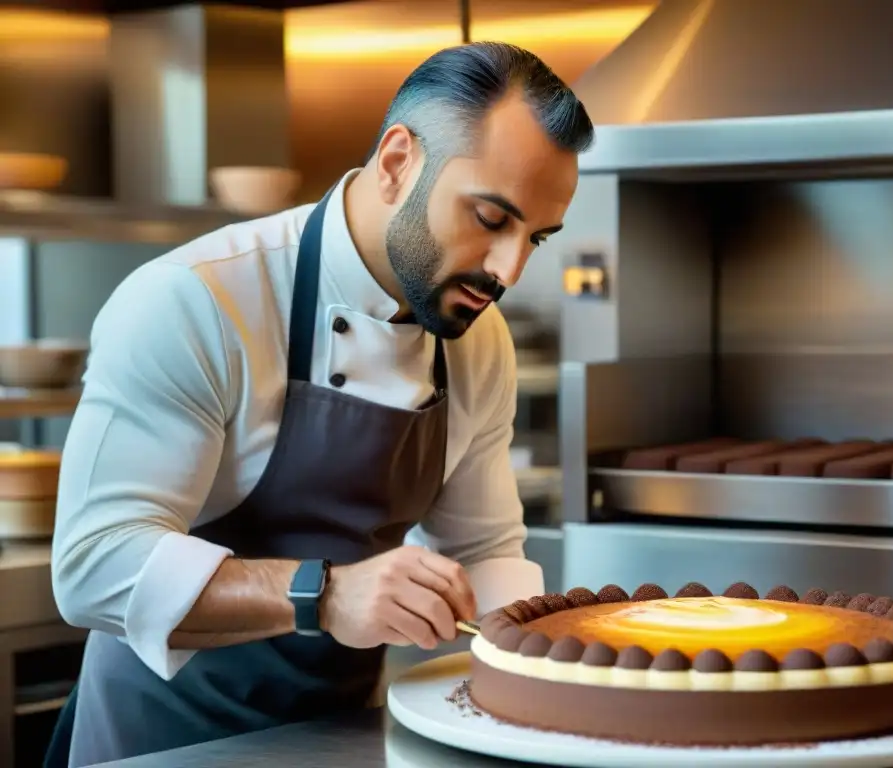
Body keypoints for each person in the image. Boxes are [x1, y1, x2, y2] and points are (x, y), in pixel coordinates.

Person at [43, 41, 594, 767]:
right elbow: (92, 565)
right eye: (491, 218)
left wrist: (546, 691)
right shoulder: (196, 301)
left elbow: (483, 550)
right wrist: (325, 594)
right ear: (398, 163)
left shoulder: (478, 343)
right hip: (160, 744)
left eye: (537, 238)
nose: (509, 269)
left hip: (338, 741)